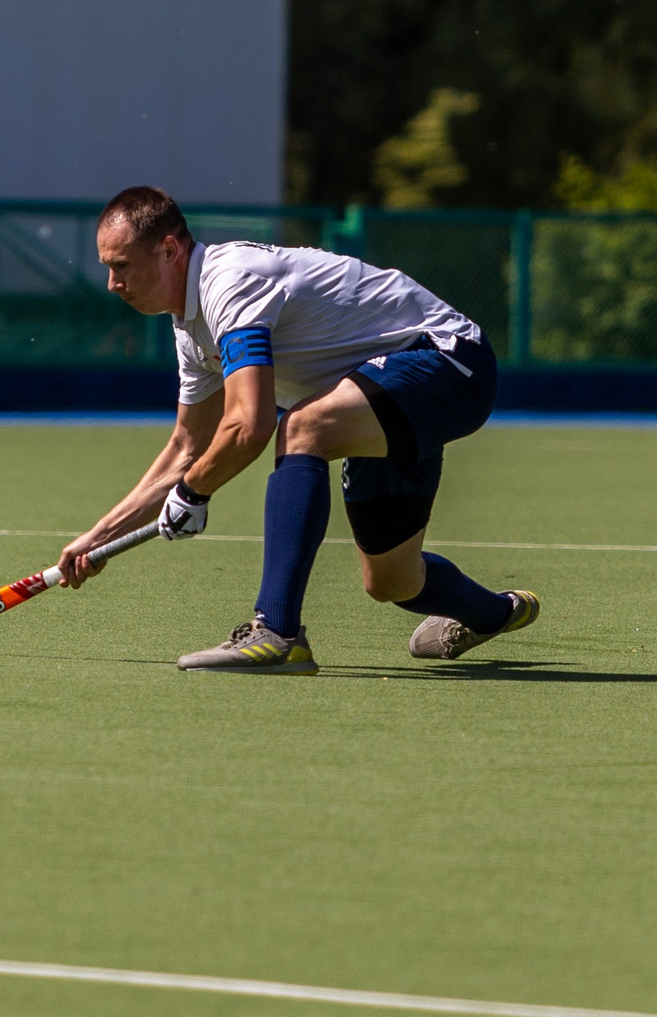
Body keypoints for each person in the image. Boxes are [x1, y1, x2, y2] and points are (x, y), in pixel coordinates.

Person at [56, 185, 536, 674]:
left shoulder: (229, 281)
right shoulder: (190, 328)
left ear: (168, 250)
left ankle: (277, 633)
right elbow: (186, 447)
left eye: (121, 265)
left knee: (303, 427)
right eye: (108, 268)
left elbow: (249, 424)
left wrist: (194, 492)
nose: (112, 284)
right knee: (392, 581)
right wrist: (100, 537)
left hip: (448, 360)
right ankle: (496, 612)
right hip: (377, 392)